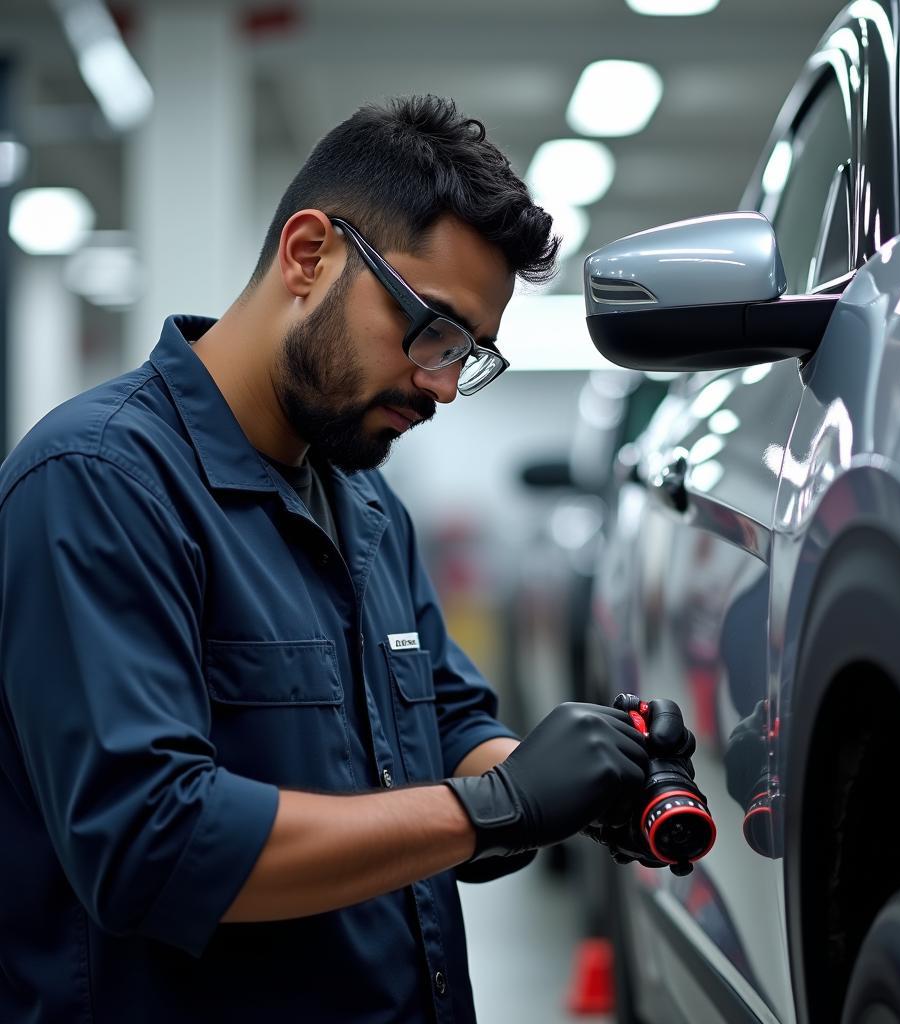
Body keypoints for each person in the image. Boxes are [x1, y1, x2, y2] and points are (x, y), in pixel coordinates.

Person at [0, 95, 696, 1023]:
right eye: (432, 329)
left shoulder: (365, 501)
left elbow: (444, 732)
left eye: (470, 356)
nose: (443, 385)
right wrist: (497, 807)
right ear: (308, 254)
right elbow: (152, 844)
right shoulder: (96, 483)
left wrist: (582, 780)